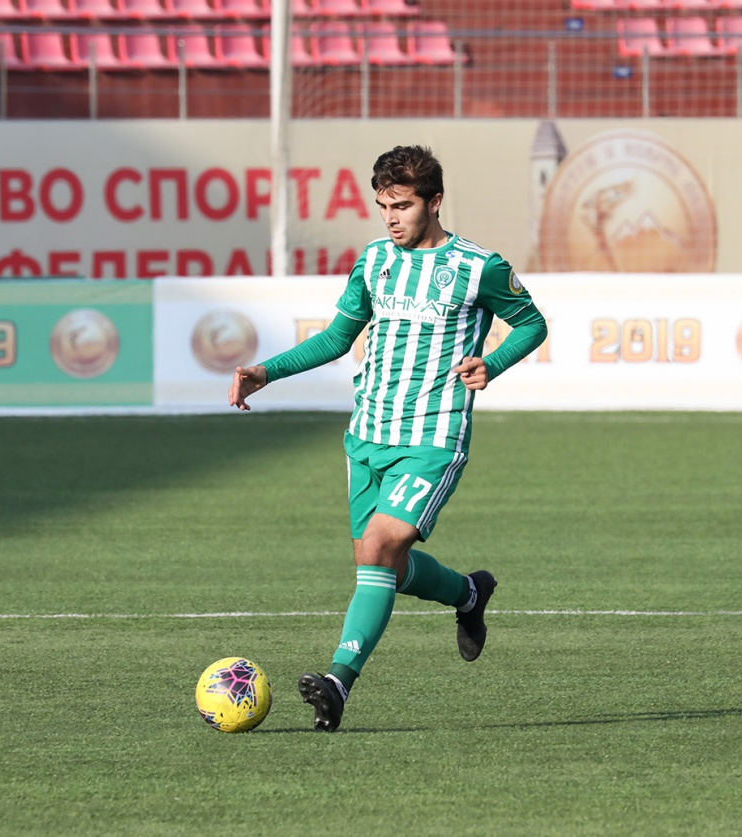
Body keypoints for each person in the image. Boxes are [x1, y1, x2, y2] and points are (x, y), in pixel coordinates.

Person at [228, 145, 548, 732]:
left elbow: (532, 323)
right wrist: (265, 371)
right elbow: (336, 338)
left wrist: (493, 363)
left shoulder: (479, 266)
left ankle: (337, 683)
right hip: (367, 435)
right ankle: (468, 595)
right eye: (383, 206)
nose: (391, 218)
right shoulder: (374, 261)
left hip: (433, 436)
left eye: (402, 206)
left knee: (378, 548)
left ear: (435, 202)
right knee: (386, 569)